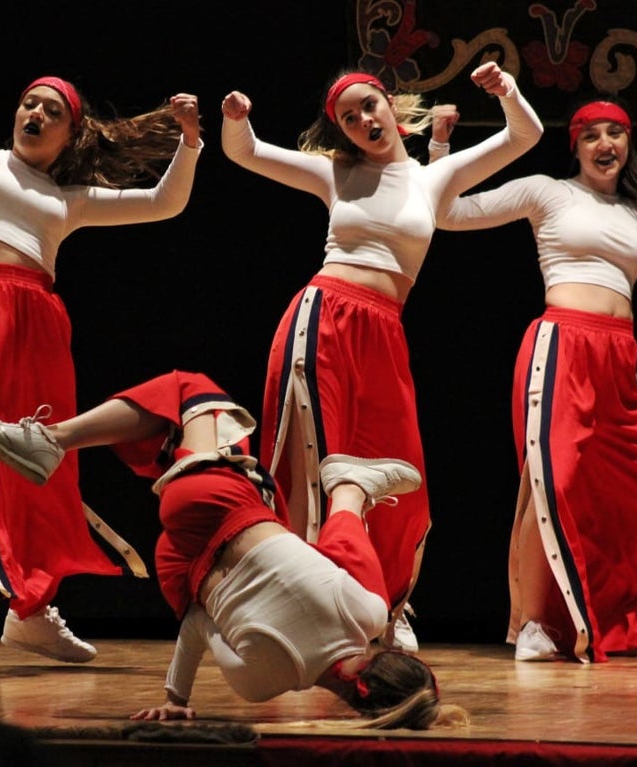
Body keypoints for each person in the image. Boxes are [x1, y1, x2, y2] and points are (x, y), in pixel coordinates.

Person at [0, 18, 203, 677]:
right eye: (29, 102)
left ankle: (29, 611)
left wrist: (190, 143)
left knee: (39, 466)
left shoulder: (67, 199)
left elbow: (165, 204)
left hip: (42, 321)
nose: (35, 111)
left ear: (70, 133)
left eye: (50, 109)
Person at [219, 65, 542, 652]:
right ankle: (307, 608)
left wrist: (505, 93)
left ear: (389, 105)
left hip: (386, 333)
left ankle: (386, 605)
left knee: (399, 473)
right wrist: (235, 119)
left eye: (369, 107)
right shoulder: (337, 173)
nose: (363, 121)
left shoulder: (433, 178)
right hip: (324, 320)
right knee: (310, 464)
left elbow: (525, 136)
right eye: (348, 118)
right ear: (341, 132)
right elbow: (247, 153)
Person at [0, 370, 469, 728]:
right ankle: (342, 487)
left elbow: (333, 553)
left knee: (194, 391)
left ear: (384, 661)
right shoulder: (261, 685)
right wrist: (175, 698)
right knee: (186, 437)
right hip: (179, 568)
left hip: (220, 506)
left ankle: (52, 439)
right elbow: (197, 625)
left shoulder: (368, 614)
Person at [434, 93, 637, 664]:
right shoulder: (547, 192)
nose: (607, 145)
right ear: (574, 145)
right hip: (562, 346)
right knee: (555, 481)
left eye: (617, 134)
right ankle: (534, 624)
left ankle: (626, 621)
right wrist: (440, 147)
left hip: (619, 359)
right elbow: (448, 213)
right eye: (593, 135)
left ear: (630, 144)